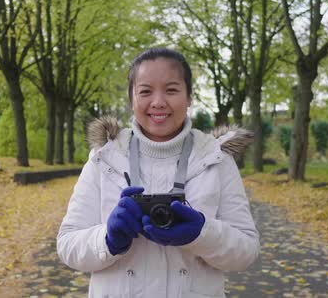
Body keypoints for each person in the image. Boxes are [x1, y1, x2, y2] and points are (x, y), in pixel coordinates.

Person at [57, 48, 259, 297]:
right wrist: (107, 239)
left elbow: (247, 251)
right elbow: (67, 245)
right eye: (145, 91)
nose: (158, 102)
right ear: (132, 99)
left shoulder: (216, 159)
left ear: (189, 97)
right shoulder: (105, 157)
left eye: (172, 89)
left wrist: (202, 233)